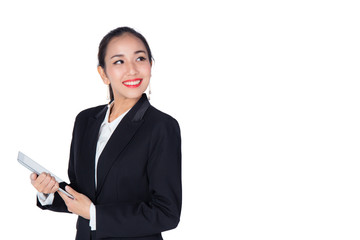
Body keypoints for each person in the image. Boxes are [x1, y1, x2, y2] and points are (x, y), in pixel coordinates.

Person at [30, 27, 182, 240]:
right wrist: (47, 192)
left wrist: (94, 214)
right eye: (119, 61)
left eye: (140, 58)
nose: (132, 70)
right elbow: (84, 194)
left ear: (150, 65)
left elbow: (167, 213)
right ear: (103, 73)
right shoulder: (85, 121)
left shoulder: (161, 126)